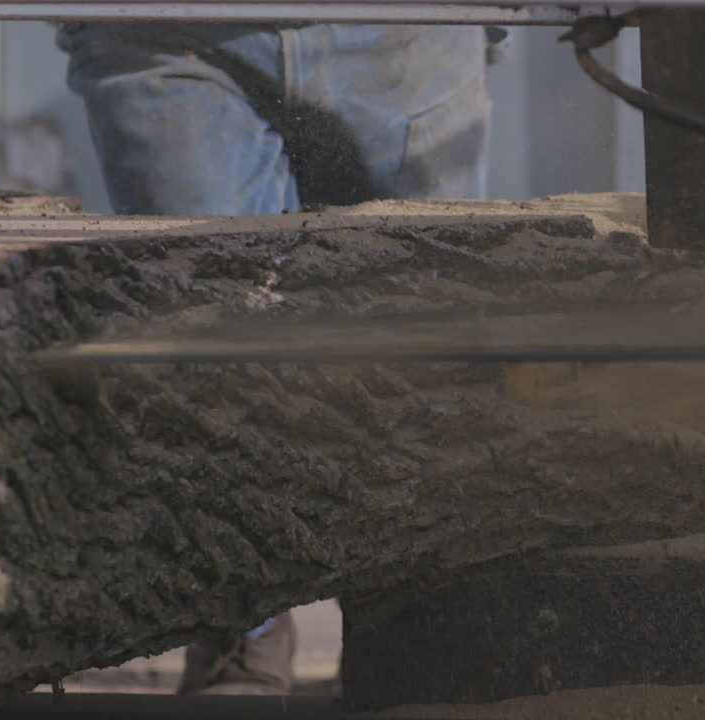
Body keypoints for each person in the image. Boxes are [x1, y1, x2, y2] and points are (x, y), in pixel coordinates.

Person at [56, 18, 495, 695]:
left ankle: (410, 638)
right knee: (210, 348)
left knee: (415, 360)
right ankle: (241, 622)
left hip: (409, 26)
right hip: (164, 25)